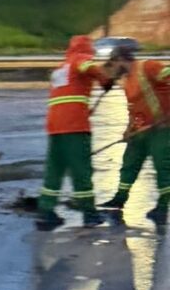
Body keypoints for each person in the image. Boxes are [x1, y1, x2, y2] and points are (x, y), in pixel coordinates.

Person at [36, 35, 121, 231]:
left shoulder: (60, 68)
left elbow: (69, 94)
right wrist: (106, 77)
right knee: (81, 170)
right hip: (74, 127)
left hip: (55, 126)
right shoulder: (80, 59)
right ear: (86, 49)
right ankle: (90, 214)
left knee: (54, 171)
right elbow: (89, 68)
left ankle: (46, 213)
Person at [99, 47, 170, 225]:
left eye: (113, 64)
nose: (113, 69)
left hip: (161, 130)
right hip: (141, 131)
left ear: (121, 59)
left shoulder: (149, 67)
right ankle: (119, 198)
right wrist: (128, 130)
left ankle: (162, 207)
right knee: (129, 164)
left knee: (163, 167)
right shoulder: (127, 81)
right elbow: (134, 109)